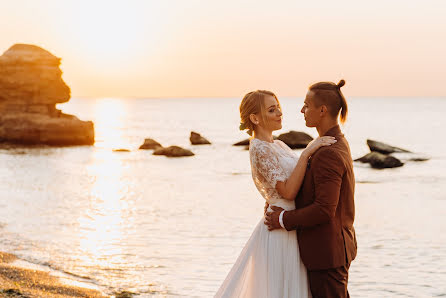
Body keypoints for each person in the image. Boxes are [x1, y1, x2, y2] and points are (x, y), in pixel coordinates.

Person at [215, 90, 336, 298]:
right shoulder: (260, 149)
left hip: (290, 223)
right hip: (280, 229)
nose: (280, 113)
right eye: (272, 110)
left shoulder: (278, 144)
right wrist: (308, 151)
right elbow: (288, 192)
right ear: (255, 118)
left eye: (278, 107)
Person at [265, 80, 357, 298]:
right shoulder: (331, 142)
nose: (302, 110)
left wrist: (282, 219)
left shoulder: (328, 152)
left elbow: (325, 209)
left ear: (322, 110)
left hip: (327, 254)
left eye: (307, 105)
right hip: (329, 250)